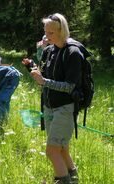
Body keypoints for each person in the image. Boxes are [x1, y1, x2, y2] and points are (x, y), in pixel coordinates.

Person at [22, 13, 80, 184]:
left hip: (65, 108)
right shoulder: (49, 50)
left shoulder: (73, 53)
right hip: (49, 107)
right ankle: (74, 181)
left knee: (52, 151)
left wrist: (44, 80)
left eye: (51, 33)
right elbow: (44, 79)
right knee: (62, 150)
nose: (46, 37)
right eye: (45, 32)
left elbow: (70, 86)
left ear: (62, 31)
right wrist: (32, 68)